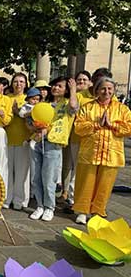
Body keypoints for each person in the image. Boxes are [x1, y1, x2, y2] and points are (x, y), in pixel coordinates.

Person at [73, 77, 131, 224]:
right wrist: (96, 124)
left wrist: (112, 125)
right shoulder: (87, 107)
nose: (106, 92)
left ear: (113, 91)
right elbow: (78, 128)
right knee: (85, 182)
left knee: (105, 184)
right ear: (97, 90)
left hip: (112, 153)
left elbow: (129, 129)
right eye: (103, 88)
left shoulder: (122, 109)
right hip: (90, 152)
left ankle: (98, 210)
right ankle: (82, 211)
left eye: (109, 89)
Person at [29, 77, 78, 222]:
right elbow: (35, 120)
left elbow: (74, 107)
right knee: (36, 177)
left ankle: (49, 207)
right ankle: (39, 205)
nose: (56, 88)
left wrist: (73, 89)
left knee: (49, 178)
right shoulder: (45, 105)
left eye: (60, 86)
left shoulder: (67, 104)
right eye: (54, 86)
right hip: (38, 141)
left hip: (54, 144)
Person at [62, 70, 93, 207]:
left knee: (83, 169)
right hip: (75, 137)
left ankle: (77, 198)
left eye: (84, 80)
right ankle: (71, 196)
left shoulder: (96, 96)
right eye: (79, 80)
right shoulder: (78, 96)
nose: (81, 82)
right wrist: (73, 91)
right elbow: (72, 107)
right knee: (73, 167)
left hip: (92, 139)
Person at [4, 73, 31, 211]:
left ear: (26, 84)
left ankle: (20, 200)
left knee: (21, 173)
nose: (18, 84)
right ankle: (6, 198)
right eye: (15, 81)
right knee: (7, 171)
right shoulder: (6, 98)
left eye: (21, 82)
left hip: (23, 140)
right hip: (7, 139)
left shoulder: (29, 99)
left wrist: (19, 112)